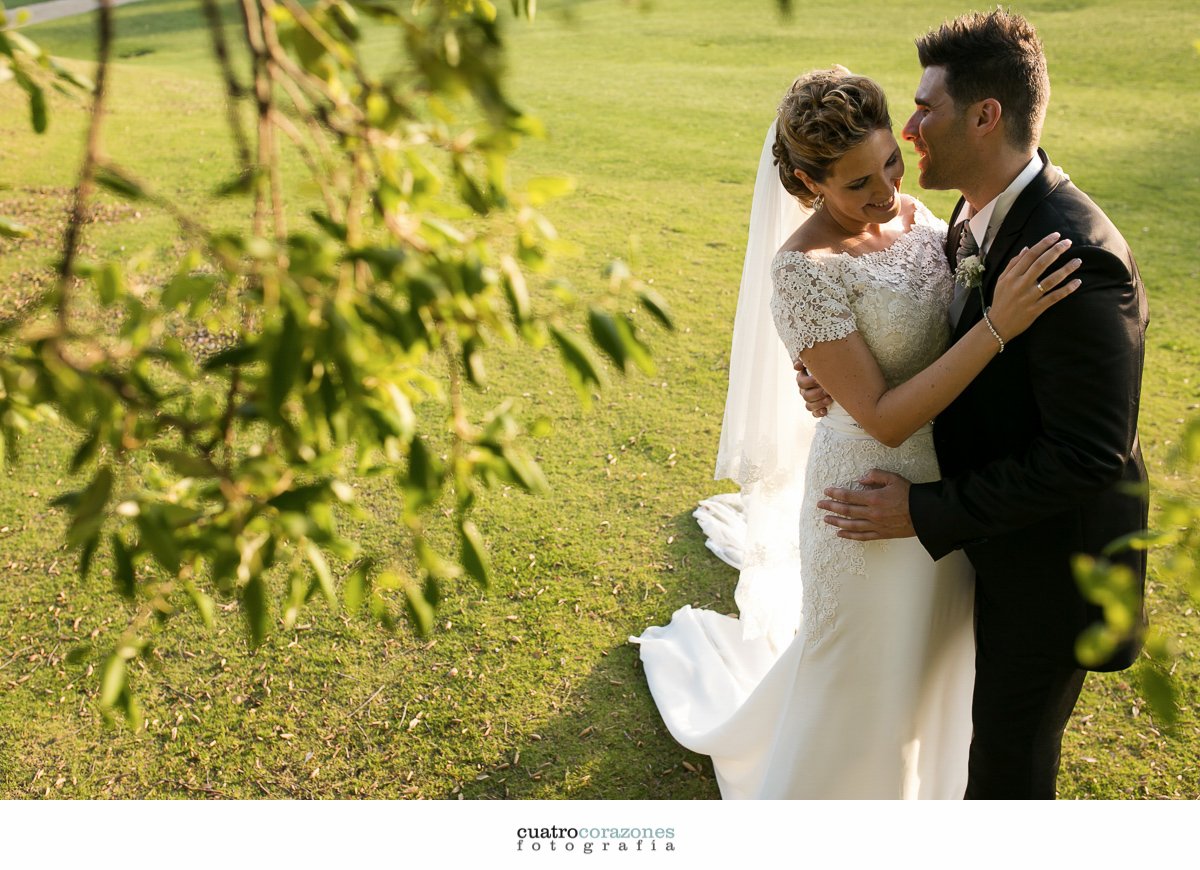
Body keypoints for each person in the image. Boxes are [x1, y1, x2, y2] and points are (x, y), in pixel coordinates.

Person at [631, 67, 1077, 799]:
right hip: (865, 503)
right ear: (808, 185)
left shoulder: (921, 221)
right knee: (858, 682)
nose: (886, 193)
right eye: (856, 184)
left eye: (891, 164)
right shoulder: (803, 270)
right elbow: (884, 413)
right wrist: (1000, 325)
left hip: (947, 494)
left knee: (929, 667)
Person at [799, 10, 1149, 799]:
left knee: (1006, 763)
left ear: (985, 117)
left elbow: (1089, 456)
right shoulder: (974, 211)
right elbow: (951, 340)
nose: (910, 128)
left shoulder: (1077, 258)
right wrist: (842, 374)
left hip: (1053, 571)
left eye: (928, 108)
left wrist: (926, 510)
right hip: (988, 546)